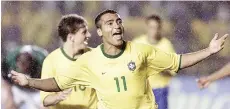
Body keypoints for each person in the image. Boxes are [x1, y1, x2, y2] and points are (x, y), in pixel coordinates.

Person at [11, 10, 228, 109]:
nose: (116, 26)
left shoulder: (141, 51)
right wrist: (29, 81)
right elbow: (57, 83)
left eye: (119, 21)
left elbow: (178, 62)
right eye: (110, 23)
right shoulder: (88, 61)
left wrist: (209, 51)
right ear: (99, 31)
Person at [40, 14, 97, 109]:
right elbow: (45, 100)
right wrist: (58, 97)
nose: (88, 35)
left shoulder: (95, 56)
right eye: (84, 32)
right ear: (71, 37)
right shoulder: (51, 61)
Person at [133, 15, 175, 109]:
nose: (154, 31)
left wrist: (158, 67)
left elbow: (172, 72)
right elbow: (129, 65)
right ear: (146, 27)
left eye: (156, 28)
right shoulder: (137, 43)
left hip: (160, 90)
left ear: (160, 29)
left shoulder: (166, 45)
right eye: (151, 27)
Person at [2, 45, 48, 109]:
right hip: (18, 89)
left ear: (31, 63)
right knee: (9, 104)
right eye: (20, 64)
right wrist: (10, 97)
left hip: (36, 90)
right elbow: (5, 79)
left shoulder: (43, 61)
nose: (22, 67)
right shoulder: (9, 60)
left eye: (25, 64)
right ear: (17, 62)